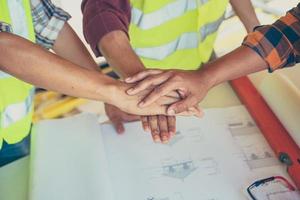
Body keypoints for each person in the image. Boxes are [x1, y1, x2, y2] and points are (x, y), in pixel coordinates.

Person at [0, 0, 189, 167]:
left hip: (14, 129)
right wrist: (114, 92)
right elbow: (5, 50)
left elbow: (50, 24)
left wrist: (113, 96)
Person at [81, 0, 260, 143]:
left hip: (202, 68)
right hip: (145, 84)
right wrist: (141, 85)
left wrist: (257, 36)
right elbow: (102, 14)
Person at [125, 3, 300, 115]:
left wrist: (254, 32)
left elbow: (292, 33)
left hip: (201, 58)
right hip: (141, 69)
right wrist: (119, 87)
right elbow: (103, 14)